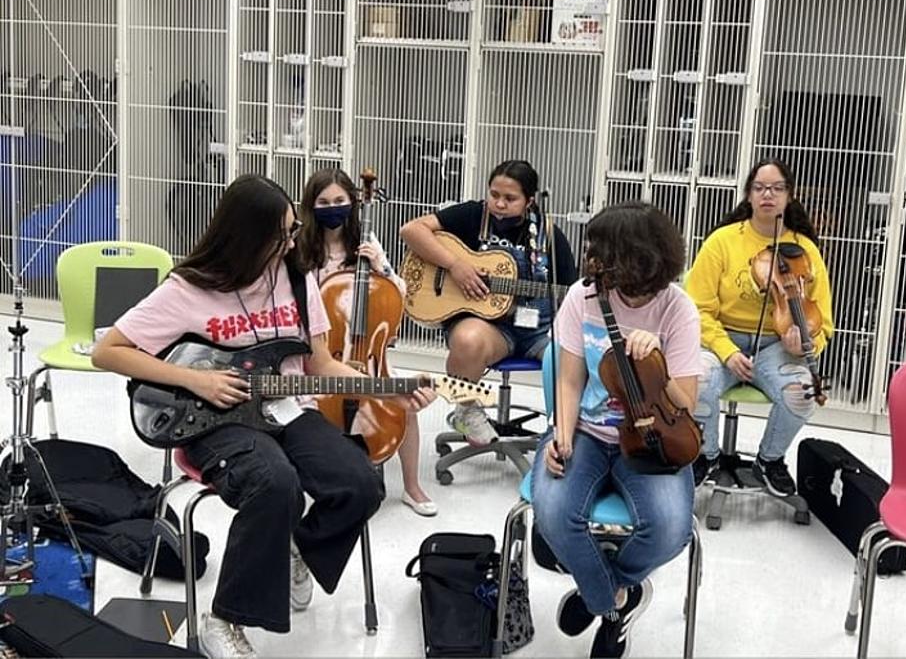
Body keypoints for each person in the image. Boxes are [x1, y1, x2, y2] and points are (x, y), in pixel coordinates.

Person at [92, 175, 435, 659]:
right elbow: (108, 352)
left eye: (294, 231)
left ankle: (295, 548)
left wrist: (388, 391)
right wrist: (196, 380)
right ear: (246, 235)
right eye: (283, 234)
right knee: (276, 484)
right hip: (217, 418)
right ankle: (224, 620)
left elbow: (321, 365)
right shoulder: (189, 288)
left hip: (287, 408)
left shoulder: (296, 278)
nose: (294, 242)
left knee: (360, 483)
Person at [533, 202, 700, 659]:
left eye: (601, 249)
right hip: (588, 432)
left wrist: (658, 364)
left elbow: (686, 399)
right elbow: (569, 378)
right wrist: (561, 434)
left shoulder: (677, 309)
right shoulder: (581, 297)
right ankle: (614, 601)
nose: (591, 258)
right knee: (551, 514)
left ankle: (600, 590)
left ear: (637, 257)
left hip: (651, 439)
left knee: (668, 528)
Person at [400, 159, 578, 445]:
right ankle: (466, 411)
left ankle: (562, 432)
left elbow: (571, 291)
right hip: (491, 330)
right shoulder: (472, 215)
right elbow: (411, 230)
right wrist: (456, 265)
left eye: (510, 198)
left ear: (529, 201)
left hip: (538, 332)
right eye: (494, 195)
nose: (500, 204)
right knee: (467, 338)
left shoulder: (550, 235)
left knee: (571, 360)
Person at [685, 158, 834, 497]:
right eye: (760, 188)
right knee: (694, 381)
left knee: (802, 394)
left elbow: (821, 318)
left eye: (777, 188)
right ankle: (705, 455)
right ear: (749, 195)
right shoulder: (722, 242)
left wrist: (805, 344)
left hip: (776, 345)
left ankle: (769, 460)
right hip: (720, 337)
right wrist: (726, 351)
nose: (768, 194)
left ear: (789, 196)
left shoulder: (805, 249)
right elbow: (696, 310)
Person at [294, 167, 436, 517]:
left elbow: (399, 293)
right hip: (321, 352)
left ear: (353, 202)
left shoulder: (366, 243)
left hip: (367, 350)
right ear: (312, 207)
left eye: (340, 201)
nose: (332, 208)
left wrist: (381, 266)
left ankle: (412, 486)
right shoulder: (302, 250)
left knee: (404, 403)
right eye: (324, 202)